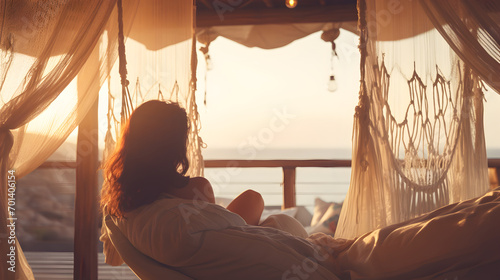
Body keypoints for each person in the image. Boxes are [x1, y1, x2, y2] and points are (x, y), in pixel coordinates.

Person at [100, 100, 265, 225]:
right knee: (253, 199)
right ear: (176, 144)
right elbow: (215, 234)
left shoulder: (122, 199)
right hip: (209, 260)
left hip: (174, 260)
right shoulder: (197, 189)